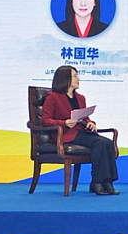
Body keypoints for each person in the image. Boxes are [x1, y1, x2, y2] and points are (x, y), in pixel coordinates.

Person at [41, 65, 119, 195]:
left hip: (81, 132)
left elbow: (85, 117)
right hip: (65, 134)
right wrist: (64, 123)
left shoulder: (81, 98)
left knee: (107, 143)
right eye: (75, 76)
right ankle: (97, 182)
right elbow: (45, 120)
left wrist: (90, 123)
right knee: (99, 142)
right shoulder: (53, 97)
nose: (78, 79)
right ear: (65, 79)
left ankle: (108, 182)